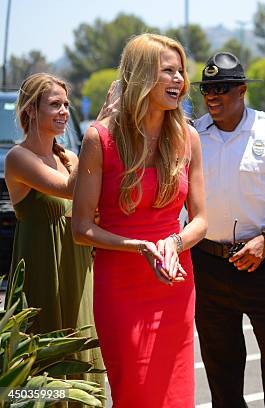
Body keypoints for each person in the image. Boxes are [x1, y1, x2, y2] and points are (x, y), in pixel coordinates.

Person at [72, 33, 207, 407]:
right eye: (169, 71)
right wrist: (138, 246)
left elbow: (200, 221)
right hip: (120, 286)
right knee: (134, 390)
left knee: (175, 392)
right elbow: (81, 228)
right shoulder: (99, 139)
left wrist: (174, 243)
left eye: (181, 71)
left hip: (175, 281)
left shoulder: (188, 137)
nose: (179, 79)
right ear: (142, 76)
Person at [191, 52, 265, 407]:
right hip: (207, 263)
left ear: (242, 90)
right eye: (207, 88)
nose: (212, 96)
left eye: (221, 88)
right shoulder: (192, 135)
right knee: (220, 367)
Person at [4, 72, 105, 389]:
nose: (64, 111)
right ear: (31, 110)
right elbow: (69, 189)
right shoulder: (18, 157)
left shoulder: (71, 157)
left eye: (66, 104)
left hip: (76, 269)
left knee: (82, 360)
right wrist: (99, 124)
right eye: (54, 104)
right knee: (44, 374)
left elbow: (88, 204)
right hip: (42, 272)